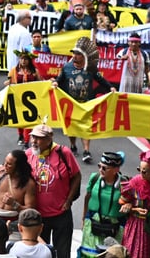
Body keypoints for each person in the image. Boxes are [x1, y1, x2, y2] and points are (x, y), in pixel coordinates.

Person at [26, 124, 81, 258]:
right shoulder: (28, 154)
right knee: (40, 254)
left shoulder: (64, 153)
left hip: (61, 214)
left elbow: (77, 175)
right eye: (33, 137)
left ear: (48, 139)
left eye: (38, 138)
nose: (34, 141)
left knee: (62, 254)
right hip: (38, 217)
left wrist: (68, 200)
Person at [54, 45, 108, 163]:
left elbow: (101, 80)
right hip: (71, 104)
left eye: (77, 54)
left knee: (86, 126)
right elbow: (59, 80)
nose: (74, 56)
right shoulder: (66, 67)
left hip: (86, 103)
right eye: (73, 53)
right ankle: (73, 145)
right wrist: (55, 83)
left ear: (83, 56)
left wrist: (111, 88)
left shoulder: (91, 67)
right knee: (72, 128)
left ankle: (86, 151)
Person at [77, 151, 125, 258]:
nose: (100, 170)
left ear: (116, 170)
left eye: (104, 168)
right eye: (99, 166)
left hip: (114, 227)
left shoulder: (124, 184)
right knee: (89, 254)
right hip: (93, 223)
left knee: (112, 255)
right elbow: (87, 197)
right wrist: (84, 218)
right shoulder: (94, 178)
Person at [119, 150, 150, 258]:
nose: (141, 173)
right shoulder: (135, 182)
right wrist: (132, 209)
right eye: (139, 170)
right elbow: (121, 202)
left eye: (144, 171)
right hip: (137, 227)